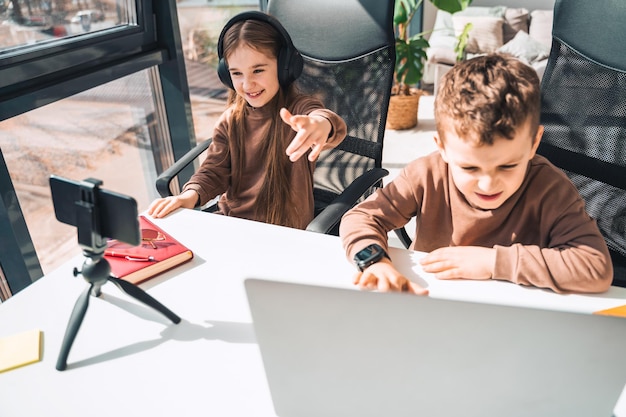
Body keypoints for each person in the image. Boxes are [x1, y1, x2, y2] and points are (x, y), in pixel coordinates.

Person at [340, 53, 613, 295]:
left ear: (533, 143)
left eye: (507, 166)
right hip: (433, 302)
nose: (488, 183)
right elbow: (362, 217)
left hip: (511, 314)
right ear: (442, 148)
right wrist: (373, 260)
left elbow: (595, 267)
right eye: (469, 167)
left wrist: (492, 262)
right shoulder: (426, 174)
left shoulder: (550, 188)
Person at [148, 11, 346, 229]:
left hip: (287, 231)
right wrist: (189, 196)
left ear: (284, 67)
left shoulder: (298, 111)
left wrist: (321, 124)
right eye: (236, 73)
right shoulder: (230, 120)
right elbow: (214, 171)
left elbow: (323, 119)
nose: (247, 84)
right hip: (234, 224)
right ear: (226, 74)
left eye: (258, 70)